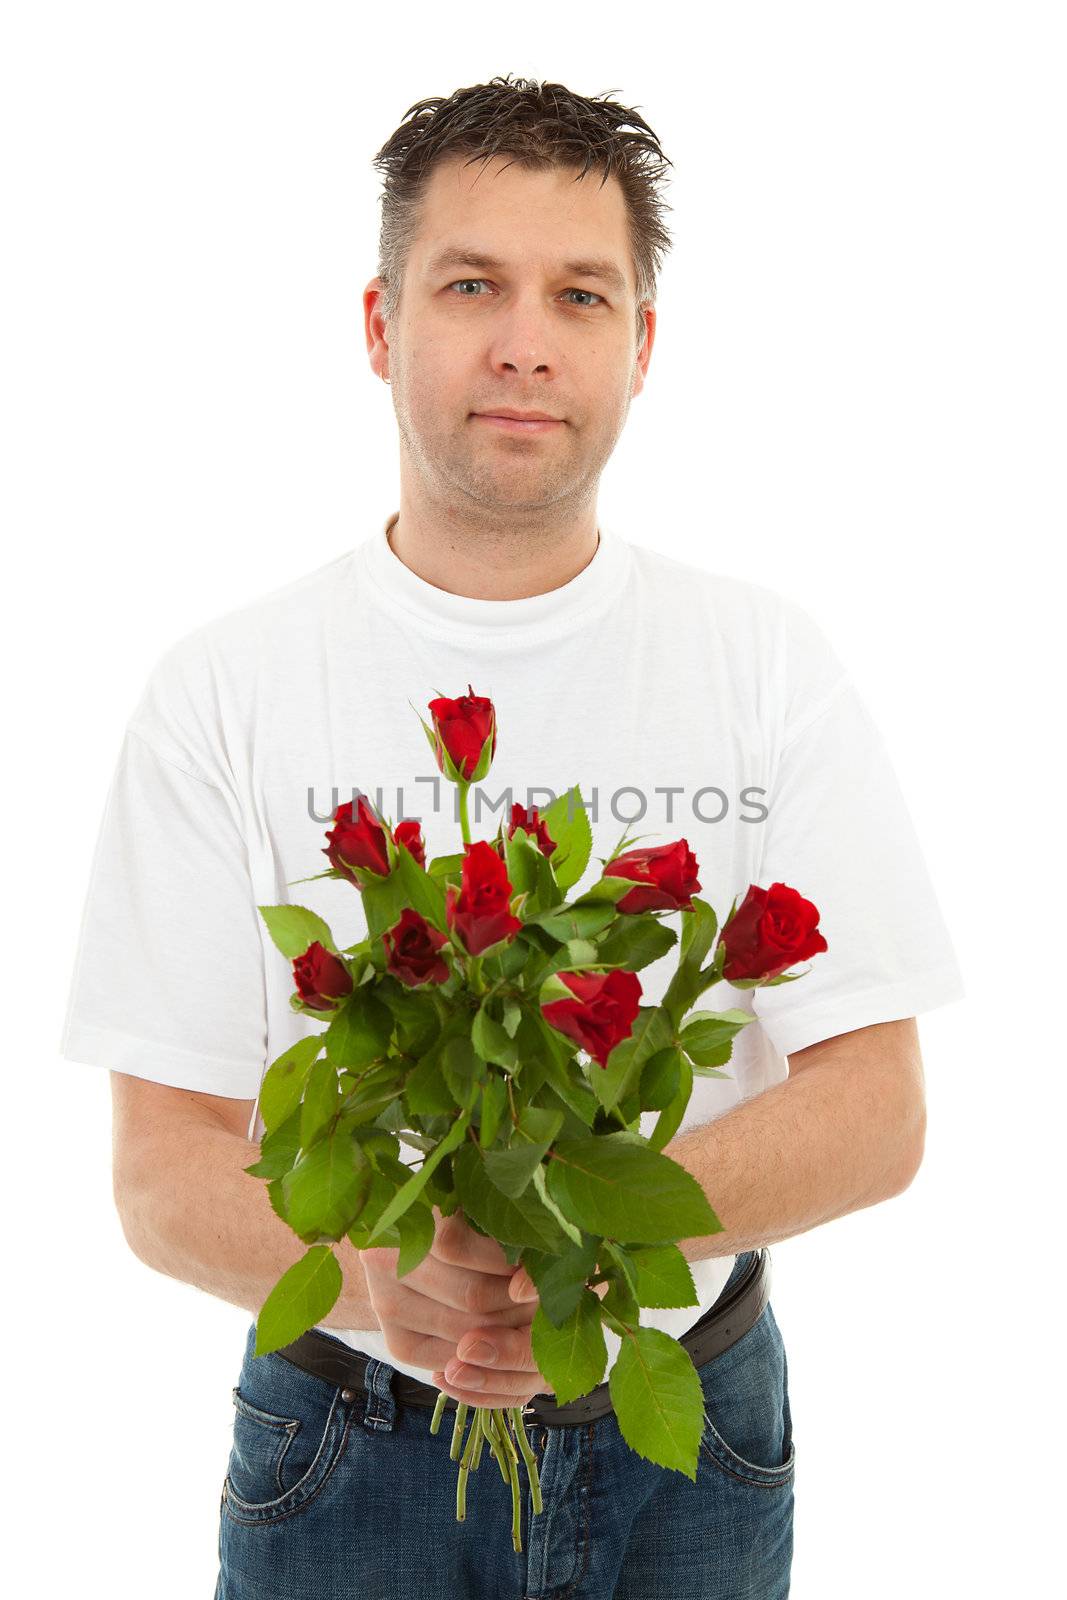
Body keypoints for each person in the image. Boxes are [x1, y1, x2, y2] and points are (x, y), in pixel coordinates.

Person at [59, 74, 964, 1599]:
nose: (525, 340)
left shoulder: (765, 667)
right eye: (471, 283)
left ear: (642, 344)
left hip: (693, 1446)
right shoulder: (224, 691)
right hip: (348, 1445)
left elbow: (879, 1105)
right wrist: (374, 1272)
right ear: (380, 325)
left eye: (580, 293)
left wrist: (584, 1232)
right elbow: (159, 1168)